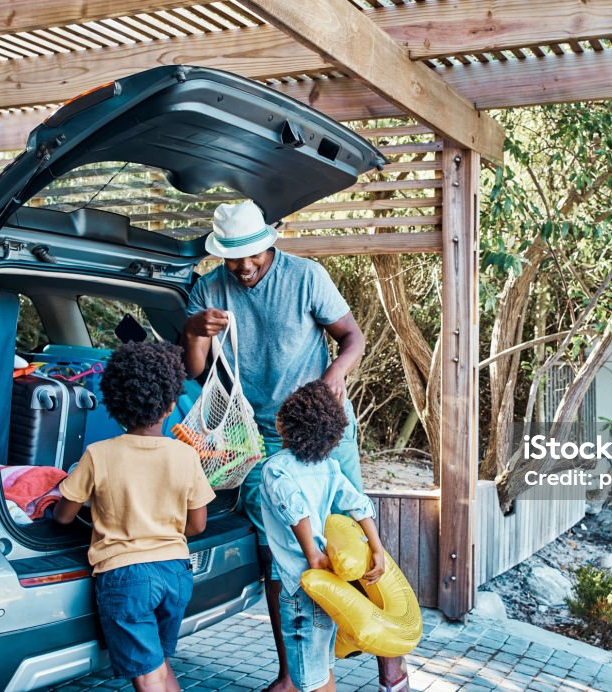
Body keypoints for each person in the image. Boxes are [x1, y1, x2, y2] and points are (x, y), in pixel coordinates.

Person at [183, 201, 408, 691]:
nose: (244, 268)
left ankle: (391, 665)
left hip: (324, 424)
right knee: (280, 551)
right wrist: (195, 331)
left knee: (350, 534)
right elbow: (198, 371)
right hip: (259, 433)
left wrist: (330, 381)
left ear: (271, 241)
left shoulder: (306, 276)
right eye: (233, 258)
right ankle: (292, 673)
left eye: (253, 257)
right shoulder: (209, 289)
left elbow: (352, 337)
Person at [54, 342, 216, 692]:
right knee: (157, 663)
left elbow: (63, 515)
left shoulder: (98, 455)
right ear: (172, 403)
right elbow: (198, 524)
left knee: (148, 675)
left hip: (126, 577)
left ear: (115, 404)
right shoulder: (186, 456)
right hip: (175, 573)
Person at [260, 380, 386, 692]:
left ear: (281, 424)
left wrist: (312, 555)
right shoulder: (329, 467)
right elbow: (358, 504)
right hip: (330, 584)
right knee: (323, 668)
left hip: (302, 586)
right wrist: (377, 548)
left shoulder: (276, 468)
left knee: (310, 679)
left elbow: (295, 508)